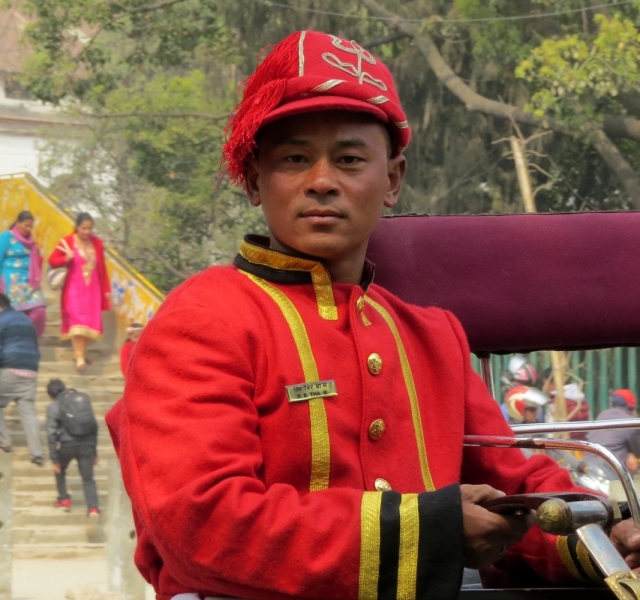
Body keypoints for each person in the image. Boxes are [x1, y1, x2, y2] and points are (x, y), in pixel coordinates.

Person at [106, 31, 640, 600]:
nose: (322, 181)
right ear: (255, 180)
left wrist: (605, 536)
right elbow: (201, 525)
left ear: (391, 180)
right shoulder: (202, 318)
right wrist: (432, 528)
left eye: (350, 159)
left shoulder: (433, 337)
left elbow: (517, 487)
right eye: (293, 158)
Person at [48, 213, 111, 372]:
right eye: (83, 228)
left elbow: (102, 268)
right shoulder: (67, 242)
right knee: (77, 321)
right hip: (74, 288)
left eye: (89, 228)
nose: (87, 232)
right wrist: (66, 258)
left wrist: (106, 290)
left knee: (91, 323)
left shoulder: (97, 243)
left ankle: (80, 353)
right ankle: (79, 356)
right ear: (77, 227)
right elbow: (52, 260)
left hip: (93, 289)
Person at [45, 379, 100, 523]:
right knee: (88, 479)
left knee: (59, 469)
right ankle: (93, 508)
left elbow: (51, 434)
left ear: (50, 395)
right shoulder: (80, 400)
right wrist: (94, 451)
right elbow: (93, 425)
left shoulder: (53, 406)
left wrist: (55, 459)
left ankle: (64, 499)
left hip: (67, 445)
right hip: (87, 445)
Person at [0, 293, 43, 465]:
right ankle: (36, 453)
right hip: (31, 370)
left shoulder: (2, 321)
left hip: (10, 369)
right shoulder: (26, 320)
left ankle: (4, 442)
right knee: (28, 412)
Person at [0, 211, 46, 337]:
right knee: (15, 313)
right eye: (26, 225)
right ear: (18, 223)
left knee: (39, 310)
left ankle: (28, 337)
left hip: (29, 282)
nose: (28, 229)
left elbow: (36, 263)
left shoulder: (31, 242)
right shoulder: (6, 237)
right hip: (11, 283)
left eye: (31, 226)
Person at [588, 389, 640, 474]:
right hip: (610, 472)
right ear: (632, 405)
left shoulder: (602, 415)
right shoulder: (631, 421)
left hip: (589, 466)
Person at [542, 367, 590, 440]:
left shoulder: (556, 401)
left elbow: (551, 434)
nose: (545, 388)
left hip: (562, 446)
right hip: (580, 445)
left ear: (554, 382)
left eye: (545, 383)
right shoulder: (581, 399)